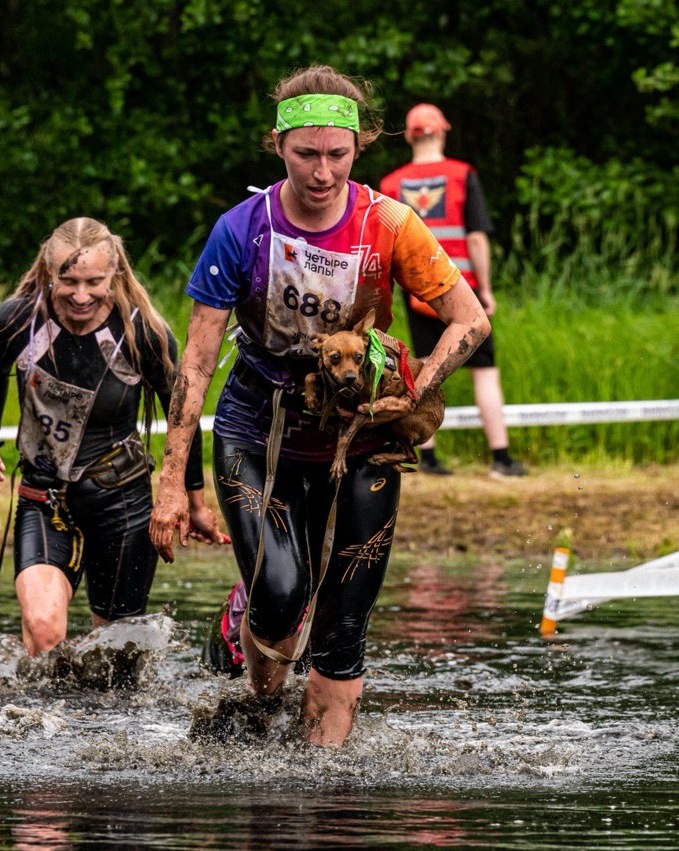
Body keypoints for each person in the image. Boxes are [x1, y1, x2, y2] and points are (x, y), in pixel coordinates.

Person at [149, 65, 490, 748]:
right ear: (277, 145)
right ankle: (255, 692)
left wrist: (413, 391)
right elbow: (194, 362)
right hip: (259, 425)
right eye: (306, 153)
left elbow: (470, 319)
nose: (322, 171)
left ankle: (320, 784)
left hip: (363, 433)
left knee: (343, 619)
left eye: (337, 153)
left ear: (360, 146)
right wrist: (170, 483)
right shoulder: (240, 229)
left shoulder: (390, 223)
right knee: (281, 593)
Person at [0, 217, 228, 657]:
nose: (81, 295)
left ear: (116, 274)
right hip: (43, 494)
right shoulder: (18, 321)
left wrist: (195, 501)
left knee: (115, 652)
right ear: (49, 273)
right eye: (68, 281)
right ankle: (39, 722)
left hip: (121, 499)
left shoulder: (142, 331)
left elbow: (181, 411)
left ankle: (97, 725)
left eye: (95, 281)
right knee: (42, 626)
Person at [380, 103, 527, 478]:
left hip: (417, 294)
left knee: (422, 369)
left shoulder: (391, 185)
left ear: (411, 137)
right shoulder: (462, 175)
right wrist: (487, 288)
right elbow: (476, 238)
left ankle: (425, 455)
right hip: (463, 292)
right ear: (442, 132)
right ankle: (500, 457)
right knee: (485, 372)